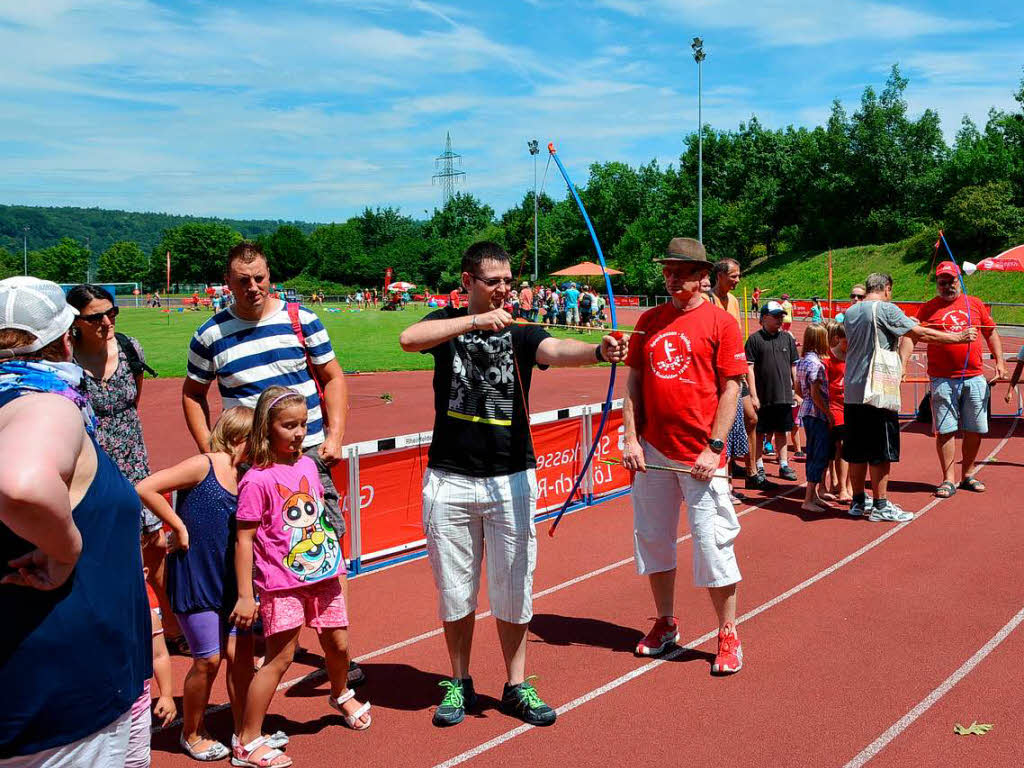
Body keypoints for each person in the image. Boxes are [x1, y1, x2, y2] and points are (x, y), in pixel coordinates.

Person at [398, 241, 628, 728]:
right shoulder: (448, 324)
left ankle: (516, 684)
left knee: (514, 588)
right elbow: (408, 339)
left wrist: (596, 350)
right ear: (468, 283)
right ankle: (458, 682)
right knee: (456, 592)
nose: (504, 289)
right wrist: (473, 322)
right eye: (492, 282)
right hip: (450, 478)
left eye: (507, 281)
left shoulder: (522, 329)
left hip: (510, 477)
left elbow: (555, 349)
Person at [182, 241, 364, 686]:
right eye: (243, 280)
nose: (253, 287)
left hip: (307, 459)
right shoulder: (210, 335)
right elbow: (192, 393)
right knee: (256, 549)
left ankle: (336, 647)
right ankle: (269, 637)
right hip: (249, 467)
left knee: (324, 547)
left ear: (269, 276)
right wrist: (213, 447)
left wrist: (336, 434)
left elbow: (333, 377)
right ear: (227, 283)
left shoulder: (302, 320)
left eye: (260, 277)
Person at [0, 276, 151, 766]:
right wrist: (66, 549)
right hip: (64, 699)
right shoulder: (44, 402)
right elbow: (20, 483)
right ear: (65, 338)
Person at [621, 237, 745, 674]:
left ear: (702, 277)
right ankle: (666, 622)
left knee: (713, 544)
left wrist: (715, 446)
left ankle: (727, 632)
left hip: (700, 454)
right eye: (667, 271)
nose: (672, 278)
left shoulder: (720, 322)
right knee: (653, 539)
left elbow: (732, 386)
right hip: (653, 449)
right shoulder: (650, 320)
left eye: (681, 272)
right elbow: (634, 382)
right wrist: (631, 439)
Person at [231, 387, 370, 767]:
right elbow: (243, 541)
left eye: (303, 424)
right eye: (288, 425)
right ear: (266, 427)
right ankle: (247, 739)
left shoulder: (308, 465)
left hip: (323, 575)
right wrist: (246, 595)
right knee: (281, 657)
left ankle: (339, 693)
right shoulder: (256, 480)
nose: (298, 433)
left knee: (339, 646)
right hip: (282, 583)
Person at [136, 407, 268, 761]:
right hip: (196, 577)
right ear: (242, 436)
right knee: (207, 660)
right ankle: (191, 732)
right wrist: (177, 526)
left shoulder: (248, 474)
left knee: (240, 658)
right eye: (259, 436)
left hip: (230, 582)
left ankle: (246, 731)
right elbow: (146, 487)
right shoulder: (204, 465)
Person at [65, 285, 181, 645]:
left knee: (155, 549)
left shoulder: (131, 349)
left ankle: (174, 625)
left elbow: (133, 403)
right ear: (75, 322)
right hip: (90, 465)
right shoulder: (65, 360)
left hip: (133, 460)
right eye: (95, 316)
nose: (106, 322)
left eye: (111, 313)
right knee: (104, 552)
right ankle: (119, 632)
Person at [843, 272, 977, 520]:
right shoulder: (886, 309)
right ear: (887, 288)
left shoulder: (851, 312)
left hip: (852, 390)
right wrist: (957, 337)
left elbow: (842, 348)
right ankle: (881, 505)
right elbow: (920, 333)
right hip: (878, 390)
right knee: (881, 451)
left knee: (857, 450)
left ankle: (858, 501)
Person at [901, 261, 1005, 498]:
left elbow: (990, 332)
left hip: (975, 377)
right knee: (946, 430)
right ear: (937, 284)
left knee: (975, 429)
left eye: (952, 281)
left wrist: (999, 361)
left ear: (960, 280)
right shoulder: (928, 308)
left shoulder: (975, 303)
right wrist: (903, 363)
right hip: (943, 379)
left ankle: (968, 474)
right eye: (942, 282)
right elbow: (911, 336)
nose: (948, 286)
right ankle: (948, 479)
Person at [711, 259, 760, 489]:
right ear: (720, 275)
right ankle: (728, 477)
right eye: (733, 276)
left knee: (751, 417)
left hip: (736, 367)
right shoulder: (708, 300)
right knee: (729, 423)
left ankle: (751, 470)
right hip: (720, 371)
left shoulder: (732, 300)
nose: (737, 280)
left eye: (739, 275)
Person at [746, 301, 800, 482]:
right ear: (763, 319)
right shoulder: (754, 340)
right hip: (763, 396)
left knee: (782, 431)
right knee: (760, 432)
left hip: (783, 395)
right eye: (775, 316)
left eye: (781, 316)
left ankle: (783, 464)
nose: (779, 319)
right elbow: (749, 369)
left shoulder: (787, 338)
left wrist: (796, 390)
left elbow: (794, 366)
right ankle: (759, 465)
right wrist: (753, 395)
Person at [127, 579, 176, 768]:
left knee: (138, 762)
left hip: (138, 707)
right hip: (100, 711)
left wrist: (166, 694)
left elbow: (159, 655)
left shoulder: (148, 616)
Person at [795, 324, 833, 513]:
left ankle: (814, 495)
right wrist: (828, 413)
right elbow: (815, 392)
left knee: (813, 452)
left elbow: (798, 389)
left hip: (807, 411)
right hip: (817, 413)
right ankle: (808, 498)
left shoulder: (802, 361)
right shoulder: (816, 364)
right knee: (818, 454)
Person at [824, 321, 851, 502]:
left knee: (851, 446)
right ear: (838, 339)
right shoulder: (829, 359)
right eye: (846, 341)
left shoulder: (855, 355)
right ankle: (839, 486)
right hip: (835, 407)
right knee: (839, 445)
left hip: (853, 404)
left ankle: (848, 487)